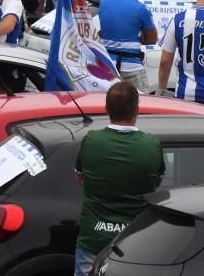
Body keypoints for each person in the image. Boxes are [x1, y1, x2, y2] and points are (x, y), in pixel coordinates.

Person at [74, 81, 164, 276]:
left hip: (92, 241)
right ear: (137, 109)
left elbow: (80, 179)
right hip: (132, 244)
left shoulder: (90, 140)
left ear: (106, 109)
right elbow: (156, 183)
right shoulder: (152, 145)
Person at [96, 0, 157, 89]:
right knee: (141, 105)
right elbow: (152, 39)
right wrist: (139, 38)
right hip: (132, 66)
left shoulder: (103, 3)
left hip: (107, 66)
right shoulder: (140, 8)